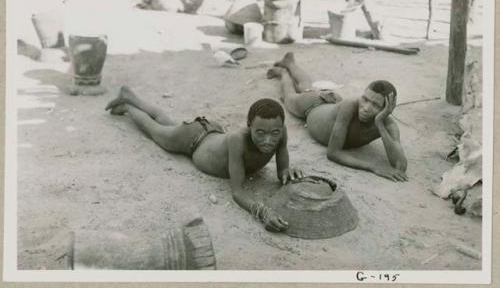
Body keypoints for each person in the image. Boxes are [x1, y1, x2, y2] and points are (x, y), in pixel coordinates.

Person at [105, 86, 303, 231]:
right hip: (193, 140)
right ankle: (128, 107)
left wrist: (287, 171)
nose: (268, 140)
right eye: (260, 132)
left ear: (281, 128)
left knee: (170, 125)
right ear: (249, 125)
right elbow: (237, 191)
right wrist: (261, 211)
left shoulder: (280, 132)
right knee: (155, 131)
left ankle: (129, 95)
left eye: (274, 133)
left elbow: (282, 170)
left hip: (210, 131)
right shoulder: (237, 140)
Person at [267, 52, 408, 182]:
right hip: (313, 105)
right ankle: (284, 72)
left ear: (387, 108)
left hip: (330, 106)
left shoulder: (389, 125)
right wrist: (373, 166)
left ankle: (290, 62)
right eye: (365, 99)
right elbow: (333, 153)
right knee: (289, 97)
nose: (366, 107)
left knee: (306, 86)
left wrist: (379, 123)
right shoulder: (350, 105)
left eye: (375, 105)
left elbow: (400, 166)